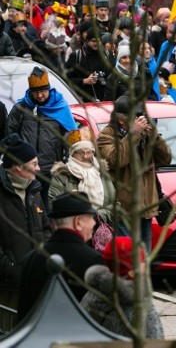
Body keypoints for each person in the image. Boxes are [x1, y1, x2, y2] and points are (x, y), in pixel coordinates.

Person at [97, 96, 171, 250]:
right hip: (123, 209)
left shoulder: (143, 135)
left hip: (145, 208)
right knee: (127, 258)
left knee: (144, 257)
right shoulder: (106, 136)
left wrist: (154, 137)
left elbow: (165, 159)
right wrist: (133, 135)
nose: (140, 122)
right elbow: (115, 161)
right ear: (121, 120)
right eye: (136, 118)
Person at [17, 192, 103, 319]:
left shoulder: (31, 258)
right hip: (76, 337)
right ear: (77, 222)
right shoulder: (93, 261)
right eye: (91, 217)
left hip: (38, 337)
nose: (94, 223)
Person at [0, 134, 51, 328]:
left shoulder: (34, 190)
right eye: (34, 163)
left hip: (36, 281)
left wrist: (45, 258)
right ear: (18, 166)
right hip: (8, 289)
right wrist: (14, 270)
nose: (39, 168)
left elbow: (45, 228)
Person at [7, 67, 76, 207]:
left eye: (42, 91)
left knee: (47, 207)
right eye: (35, 92)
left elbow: (71, 137)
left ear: (48, 89)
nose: (39, 96)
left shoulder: (60, 107)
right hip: (26, 169)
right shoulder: (21, 108)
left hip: (50, 169)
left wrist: (66, 163)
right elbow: (10, 133)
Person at [80, 237, 164, 339]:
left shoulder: (91, 297)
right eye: (142, 261)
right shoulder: (140, 307)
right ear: (131, 271)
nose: (146, 265)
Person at [49, 134, 116, 225]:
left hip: (101, 227)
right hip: (73, 227)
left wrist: (98, 216)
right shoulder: (62, 175)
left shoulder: (102, 173)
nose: (85, 156)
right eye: (80, 152)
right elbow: (53, 204)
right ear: (73, 154)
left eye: (89, 152)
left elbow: (115, 204)